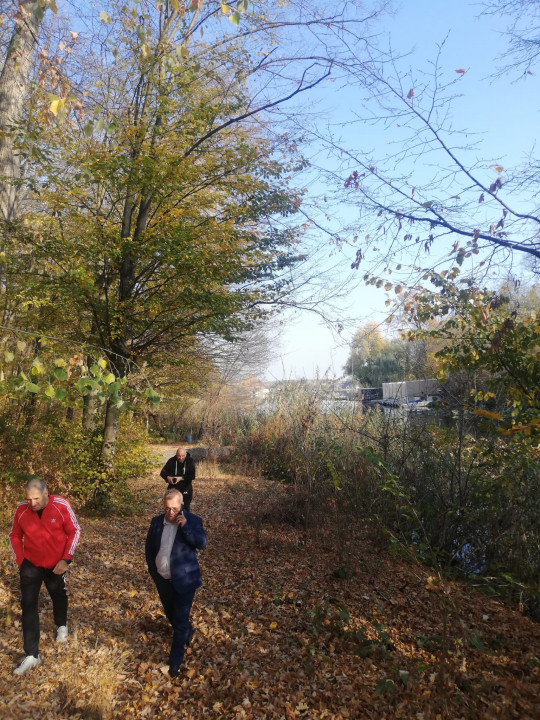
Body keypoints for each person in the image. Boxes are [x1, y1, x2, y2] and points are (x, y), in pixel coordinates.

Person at [9, 478, 81, 675]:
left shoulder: (61, 505)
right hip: (30, 565)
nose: (32, 503)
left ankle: (61, 626)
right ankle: (32, 655)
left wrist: (66, 559)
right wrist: (21, 561)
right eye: (28, 499)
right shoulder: (22, 509)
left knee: (58, 595)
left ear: (46, 494)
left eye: (36, 499)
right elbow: (14, 535)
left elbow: (74, 531)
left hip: (56, 564)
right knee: (28, 605)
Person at [145, 488, 206, 678]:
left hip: (185, 580)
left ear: (181, 506)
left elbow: (201, 543)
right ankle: (188, 633)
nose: (170, 513)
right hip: (163, 580)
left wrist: (185, 526)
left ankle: (174, 664)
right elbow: (149, 548)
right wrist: (154, 573)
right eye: (166, 508)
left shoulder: (193, 520)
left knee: (179, 622)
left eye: (174, 509)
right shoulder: (156, 522)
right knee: (172, 615)